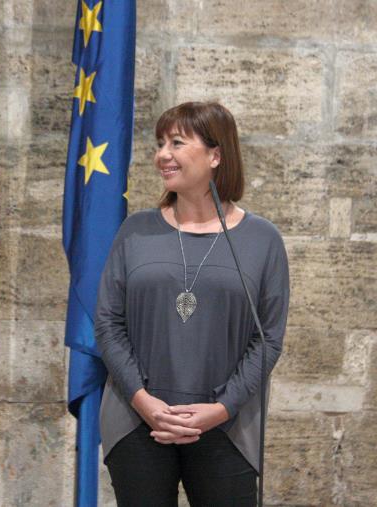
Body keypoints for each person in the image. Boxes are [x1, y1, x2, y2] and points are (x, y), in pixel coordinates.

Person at [94, 101, 289, 506]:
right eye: (160, 143)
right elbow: (108, 324)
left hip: (228, 427)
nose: (162, 154)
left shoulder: (262, 239)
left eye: (177, 142)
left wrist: (221, 408)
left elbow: (267, 338)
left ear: (216, 155)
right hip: (137, 422)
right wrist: (143, 400)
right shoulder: (135, 231)